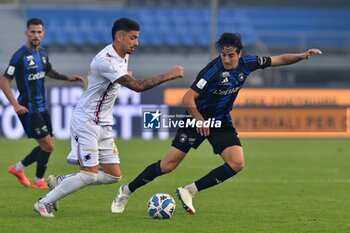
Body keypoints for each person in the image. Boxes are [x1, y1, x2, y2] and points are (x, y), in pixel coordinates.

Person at [110, 32, 322, 215]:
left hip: (221, 121)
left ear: (239, 54)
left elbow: (279, 59)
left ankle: (189, 191)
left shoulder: (249, 63)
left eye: (231, 55)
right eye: (223, 55)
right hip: (196, 119)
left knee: (237, 163)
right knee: (168, 165)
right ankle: (127, 191)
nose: (227, 59)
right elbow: (188, 98)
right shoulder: (211, 72)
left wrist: (302, 56)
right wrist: (200, 121)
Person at [33, 17, 184, 217]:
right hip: (86, 121)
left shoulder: (121, 55)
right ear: (119, 37)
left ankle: (61, 181)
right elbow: (137, 86)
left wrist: (123, 75)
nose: (136, 43)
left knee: (114, 176)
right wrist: (169, 75)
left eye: (137, 38)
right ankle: (44, 203)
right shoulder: (106, 60)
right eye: (133, 38)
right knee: (89, 175)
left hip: (103, 123)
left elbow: (114, 79)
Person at [0, 18, 85, 189]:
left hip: (43, 107)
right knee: (48, 145)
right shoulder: (19, 56)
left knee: (47, 145)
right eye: (33, 32)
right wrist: (15, 105)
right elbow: (4, 81)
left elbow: (49, 71)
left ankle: (18, 168)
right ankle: (38, 180)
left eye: (39, 32)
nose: (36, 35)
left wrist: (67, 78)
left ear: (43, 34)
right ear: (26, 33)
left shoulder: (43, 53)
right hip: (28, 109)